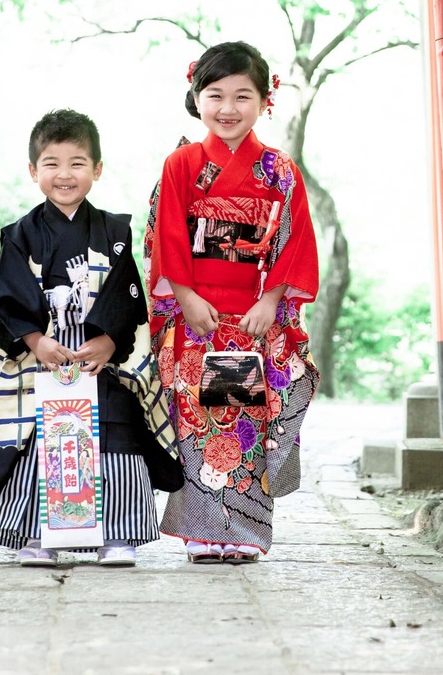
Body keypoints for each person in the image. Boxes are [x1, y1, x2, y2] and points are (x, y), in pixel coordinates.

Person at [0, 108, 182, 568]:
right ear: (33, 171)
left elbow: (130, 299)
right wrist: (35, 341)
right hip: (41, 363)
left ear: (97, 170)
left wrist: (109, 341)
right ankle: (36, 536)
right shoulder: (20, 235)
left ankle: (117, 534)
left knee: (115, 438)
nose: (64, 174)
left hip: (100, 364)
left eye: (77, 163)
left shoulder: (115, 232)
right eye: (51, 163)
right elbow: (3, 299)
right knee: (37, 441)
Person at [145, 41, 320, 564]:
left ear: (265, 100)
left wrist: (270, 300)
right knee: (199, 424)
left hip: (249, 317)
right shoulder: (181, 165)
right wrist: (185, 295)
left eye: (243, 96)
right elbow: (165, 237)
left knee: (241, 424)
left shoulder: (279, 171)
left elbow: (294, 240)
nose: (227, 108)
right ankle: (201, 531)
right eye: (215, 94)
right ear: (196, 97)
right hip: (197, 314)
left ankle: (242, 533)